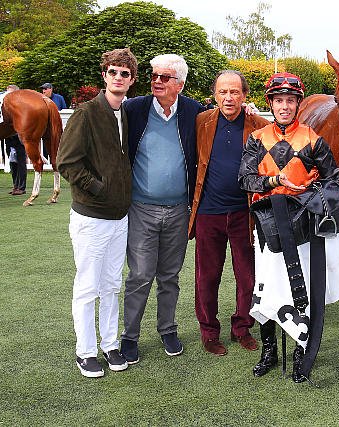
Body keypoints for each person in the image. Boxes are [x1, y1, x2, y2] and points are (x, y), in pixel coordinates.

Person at [239, 72, 339, 383]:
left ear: (298, 104)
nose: (284, 106)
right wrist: (275, 181)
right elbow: (245, 179)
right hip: (267, 222)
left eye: (290, 101)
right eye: (278, 101)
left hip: (301, 225)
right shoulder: (257, 138)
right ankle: (269, 350)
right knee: (267, 287)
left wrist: (307, 194)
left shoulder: (312, 139)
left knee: (301, 289)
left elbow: (332, 180)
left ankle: (301, 351)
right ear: (271, 103)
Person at [120, 54, 206, 364]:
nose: (157, 81)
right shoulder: (134, 109)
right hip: (141, 208)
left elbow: (226, 120)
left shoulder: (195, 112)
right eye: (154, 75)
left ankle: (167, 329)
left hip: (180, 210)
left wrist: (247, 109)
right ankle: (129, 336)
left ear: (179, 84)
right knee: (140, 275)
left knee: (169, 276)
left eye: (164, 77)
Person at [57, 48, 138, 378]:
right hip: (91, 216)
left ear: (131, 80)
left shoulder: (125, 113)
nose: (118, 77)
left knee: (111, 285)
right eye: (113, 72)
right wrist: (99, 189)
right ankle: (86, 352)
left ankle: (110, 345)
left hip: (120, 218)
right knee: (88, 287)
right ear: (104, 75)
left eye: (124, 73)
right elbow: (66, 162)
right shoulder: (86, 113)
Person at [188, 70, 269, 356]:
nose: (228, 97)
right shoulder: (201, 121)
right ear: (214, 95)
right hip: (208, 213)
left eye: (235, 92)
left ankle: (242, 328)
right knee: (207, 277)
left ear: (245, 95)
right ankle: (209, 332)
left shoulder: (259, 126)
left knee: (247, 276)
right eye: (223, 91)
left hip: (244, 215)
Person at [3, 85, 27, 195]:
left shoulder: (21, 107)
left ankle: (21, 187)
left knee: (21, 162)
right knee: (12, 162)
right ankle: (15, 185)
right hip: (9, 138)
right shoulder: (6, 108)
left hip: (18, 138)